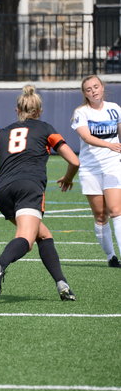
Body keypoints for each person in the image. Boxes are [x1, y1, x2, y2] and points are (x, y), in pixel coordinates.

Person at [0, 85, 79, 300]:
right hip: (28, 187)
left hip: (3, 191)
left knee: (44, 235)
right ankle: (1, 263)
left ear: (17, 110)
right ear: (40, 111)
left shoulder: (2, 132)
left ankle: (62, 284)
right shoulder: (46, 129)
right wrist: (68, 178)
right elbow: (74, 161)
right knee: (26, 238)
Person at [71, 75, 121, 267]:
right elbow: (86, 137)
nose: (93, 91)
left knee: (116, 210)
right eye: (89, 89)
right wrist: (109, 145)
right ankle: (110, 256)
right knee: (100, 215)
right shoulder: (81, 112)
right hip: (90, 169)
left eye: (96, 87)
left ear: (102, 87)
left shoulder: (114, 108)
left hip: (113, 165)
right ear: (85, 94)